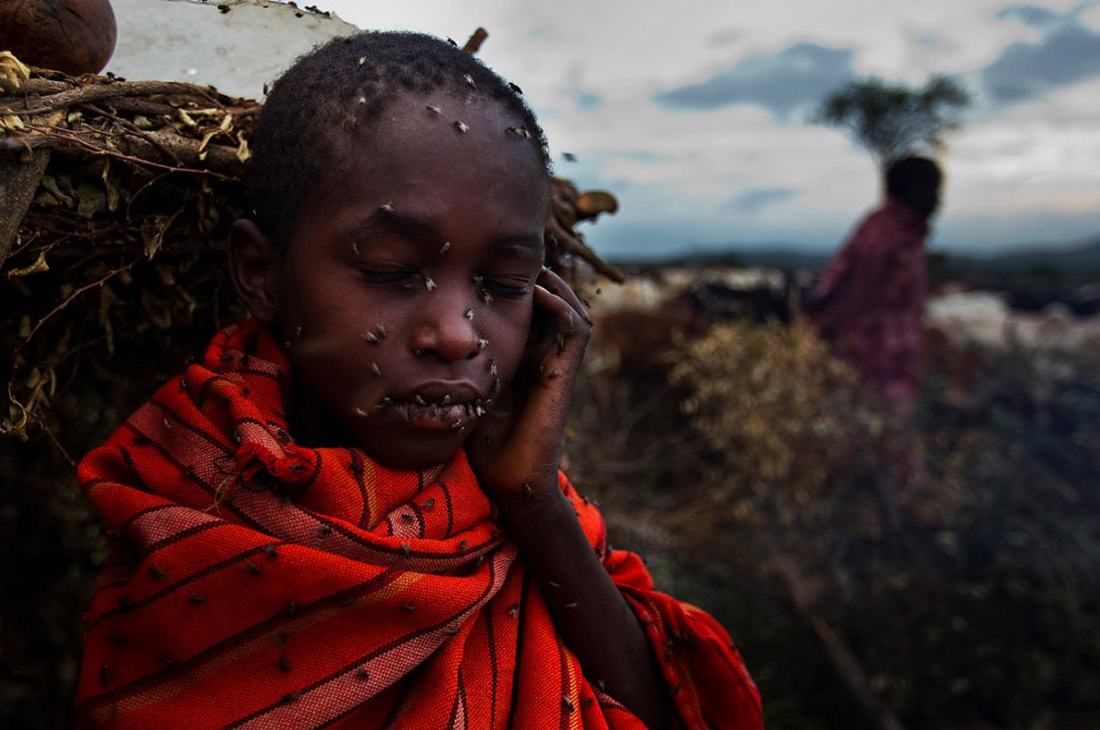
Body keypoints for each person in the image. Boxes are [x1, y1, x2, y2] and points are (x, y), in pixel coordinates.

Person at [73, 32, 762, 729]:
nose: (459, 333)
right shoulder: (186, 495)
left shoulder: (526, 501)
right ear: (261, 273)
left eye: (504, 283)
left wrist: (534, 503)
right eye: (391, 271)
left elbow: (667, 711)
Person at [806, 156, 943, 417]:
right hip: (873, 373)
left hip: (895, 369)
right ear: (909, 189)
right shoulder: (884, 237)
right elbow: (849, 303)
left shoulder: (905, 235)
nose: (939, 201)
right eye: (933, 190)